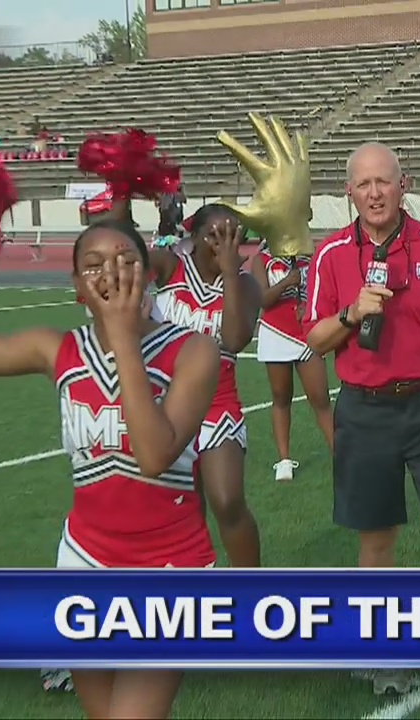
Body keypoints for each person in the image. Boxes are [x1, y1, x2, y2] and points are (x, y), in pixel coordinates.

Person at [0, 219, 220, 720]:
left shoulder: (192, 351)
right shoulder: (58, 350)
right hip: (85, 560)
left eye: (126, 259)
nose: (110, 272)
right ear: (77, 288)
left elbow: (155, 456)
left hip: (170, 569)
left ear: (149, 274)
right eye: (92, 265)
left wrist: (121, 335)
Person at [303, 141, 420, 714]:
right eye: (363, 184)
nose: (374, 193)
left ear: (403, 183)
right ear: (348, 192)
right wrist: (351, 313)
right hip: (364, 411)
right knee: (377, 540)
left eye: (383, 181)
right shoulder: (331, 255)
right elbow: (313, 340)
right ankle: (384, 648)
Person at [150, 203, 263, 567]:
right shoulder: (170, 267)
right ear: (194, 238)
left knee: (228, 501)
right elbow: (124, 255)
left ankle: (252, 592)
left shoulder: (245, 284)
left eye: (234, 236)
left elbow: (233, 339)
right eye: (215, 236)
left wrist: (231, 273)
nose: (224, 244)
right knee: (185, 509)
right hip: (166, 407)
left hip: (218, 405)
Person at [249, 240, 335, 481]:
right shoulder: (262, 259)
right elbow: (262, 300)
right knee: (281, 396)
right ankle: (284, 460)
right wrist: (287, 281)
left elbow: (325, 293)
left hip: (307, 334)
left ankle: (339, 453)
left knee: (320, 398)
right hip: (276, 332)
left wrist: (308, 307)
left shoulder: (310, 255)